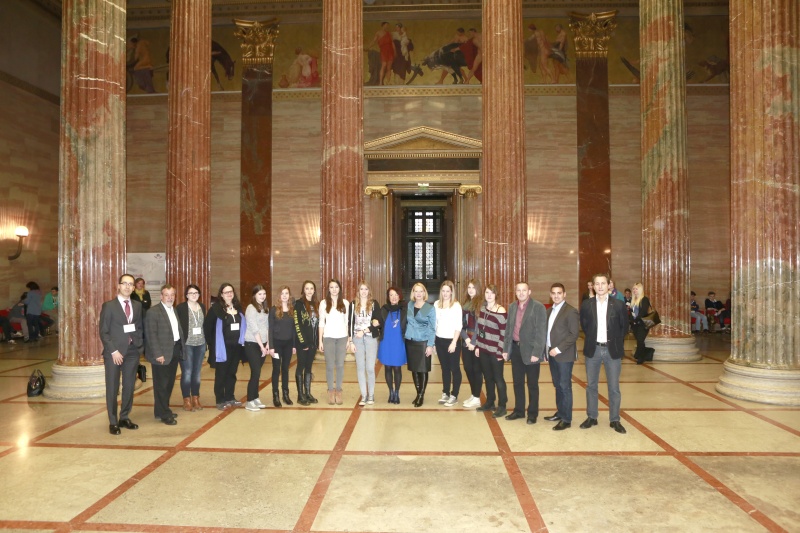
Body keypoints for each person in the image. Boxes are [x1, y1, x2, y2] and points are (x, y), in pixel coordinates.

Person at [579, 273, 630, 434]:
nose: (600, 286)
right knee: (591, 386)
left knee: (614, 387)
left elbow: (624, 328)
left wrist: (614, 341)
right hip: (593, 349)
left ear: (609, 285)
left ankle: (614, 419)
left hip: (612, 350)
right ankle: (592, 417)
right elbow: (585, 326)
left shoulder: (619, 305)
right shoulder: (587, 305)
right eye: (597, 284)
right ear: (593, 286)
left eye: (603, 283)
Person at [98, 274, 144, 435]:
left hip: (132, 352)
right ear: (118, 286)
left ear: (133, 288)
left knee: (129, 386)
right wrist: (113, 351)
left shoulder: (137, 306)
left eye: (130, 284)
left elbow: (138, 328)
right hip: (114, 354)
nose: (127, 286)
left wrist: (139, 347)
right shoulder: (109, 306)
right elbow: (103, 332)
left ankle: (124, 417)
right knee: (112, 387)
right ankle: (113, 421)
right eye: (124, 283)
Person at [502, 282, 546, 424]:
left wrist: (537, 352)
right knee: (517, 382)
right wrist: (505, 349)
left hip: (531, 351)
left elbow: (541, 332)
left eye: (524, 290)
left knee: (532, 384)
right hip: (515, 350)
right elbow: (508, 330)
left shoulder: (538, 307)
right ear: (515, 292)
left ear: (529, 291)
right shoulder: (512, 306)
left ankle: (532, 413)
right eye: (518, 290)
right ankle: (519, 411)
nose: (521, 293)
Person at [542, 283, 580, 430]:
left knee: (565, 386)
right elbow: (547, 333)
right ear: (550, 295)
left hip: (564, 355)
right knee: (557, 385)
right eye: (554, 293)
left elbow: (574, 334)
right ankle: (560, 412)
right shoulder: (549, 310)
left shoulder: (570, 311)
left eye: (559, 293)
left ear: (564, 294)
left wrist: (557, 349)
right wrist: (546, 351)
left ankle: (566, 418)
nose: (556, 296)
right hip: (551, 354)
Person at [145, 284, 184, 425]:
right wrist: (158, 354)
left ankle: (161, 409)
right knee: (161, 384)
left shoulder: (174, 310)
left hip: (174, 350)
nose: (170, 297)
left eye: (172, 294)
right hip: (161, 354)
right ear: (161, 296)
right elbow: (151, 335)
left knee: (169, 383)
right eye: (166, 295)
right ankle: (164, 414)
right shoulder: (153, 312)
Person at [204, 283, 246, 410]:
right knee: (221, 373)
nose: (229, 294)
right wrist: (212, 344)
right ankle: (220, 399)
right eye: (226, 292)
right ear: (221, 295)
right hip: (222, 348)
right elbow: (207, 328)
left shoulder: (238, 308)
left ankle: (230, 397)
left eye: (231, 291)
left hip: (236, 347)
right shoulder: (216, 309)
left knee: (232, 373)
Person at [475, 284, 508, 417]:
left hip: (495, 351)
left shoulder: (501, 310)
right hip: (483, 349)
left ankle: (502, 405)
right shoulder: (483, 309)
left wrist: (500, 351)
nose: (489, 295)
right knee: (488, 378)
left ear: (496, 295)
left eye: (492, 293)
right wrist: (478, 346)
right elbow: (480, 330)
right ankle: (490, 401)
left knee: (498, 378)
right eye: (487, 292)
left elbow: (504, 334)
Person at [349, 282, 381, 406]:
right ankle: (363, 395)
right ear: (358, 291)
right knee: (360, 368)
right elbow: (350, 323)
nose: (363, 291)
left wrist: (364, 331)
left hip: (370, 338)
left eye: (366, 289)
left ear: (369, 291)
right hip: (357, 339)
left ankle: (371, 394)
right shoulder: (353, 304)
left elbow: (377, 322)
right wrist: (350, 341)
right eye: (361, 289)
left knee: (370, 368)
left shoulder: (374, 304)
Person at [319, 279, 350, 405]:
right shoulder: (323, 303)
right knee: (330, 366)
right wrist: (320, 341)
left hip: (342, 337)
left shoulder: (345, 303)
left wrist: (349, 339)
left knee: (340, 365)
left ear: (340, 289)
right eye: (331, 287)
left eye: (336, 287)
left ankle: (339, 390)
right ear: (328, 289)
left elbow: (347, 322)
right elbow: (321, 322)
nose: (334, 289)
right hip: (328, 338)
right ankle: (331, 391)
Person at [405, 282, 436, 407]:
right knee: (414, 369)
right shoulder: (409, 304)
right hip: (410, 340)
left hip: (423, 342)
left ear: (424, 293)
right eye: (415, 291)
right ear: (413, 293)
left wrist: (430, 345)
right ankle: (418, 393)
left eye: (420, 291)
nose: (418, 293)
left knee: (422, 370)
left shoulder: (430, 308)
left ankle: (421, 395)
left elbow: (432, 328)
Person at [176, 284, 206, 411]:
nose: (194, 295)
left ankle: (196, 397)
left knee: (197, 373)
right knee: (187, 372)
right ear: (186, 295)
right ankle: (186, 399)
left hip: (200, 343)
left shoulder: (202, 307)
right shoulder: (181, 308)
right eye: (191, 293)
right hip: (187, 344)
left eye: (196, 293)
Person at [434, 280, 463, 407]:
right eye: (443, 291)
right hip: (439, 340)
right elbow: (434, 324)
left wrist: (454, 342)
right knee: (444, 368)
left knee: (454, 368)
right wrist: (434, 343)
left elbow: (458, 325)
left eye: (448, 291)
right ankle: (445, 392)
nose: (445, 294)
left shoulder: (456, 305)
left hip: (452, 341)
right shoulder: (436, 304)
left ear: (452, 292)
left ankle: (454, 394)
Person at [377, 287, 407, 404]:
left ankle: (397, 392)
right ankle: (391, 392)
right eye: (391, 295)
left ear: (399, 296)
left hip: (399, 342)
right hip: (386, 342)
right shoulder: (384, 309)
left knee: (397, 368)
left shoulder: (404, 309)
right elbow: (378, 322)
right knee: (388, 367)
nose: (394, 297)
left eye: (396, 295)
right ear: (388, 297)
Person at [269, 286, 297, 407]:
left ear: (289, 296)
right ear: (279, 296)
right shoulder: (273, 310)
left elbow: (294, 329)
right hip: (276, 344)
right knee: (276, 369)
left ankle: (286, 394)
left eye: (287, 293)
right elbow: (269, 328)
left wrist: (294, 345)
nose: (284, 295)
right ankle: (275, 395)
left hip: (288, 344)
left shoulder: (292, 310)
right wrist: (271, 346)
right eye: (282, 293)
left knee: (285, 369)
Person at [244, 285, 270, 411]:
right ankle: (249, 400)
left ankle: (255, 397)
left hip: (263, 344)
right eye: (260, 294)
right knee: (255, 372)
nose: (263, 296)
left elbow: (268, 327)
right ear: (254, 295)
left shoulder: (265, 308)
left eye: (264, 294)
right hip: (252, 344)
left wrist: (268, 344)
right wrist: (261, 346)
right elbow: (254, 329)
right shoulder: (251, 308)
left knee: (258, 372)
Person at [294, 281, 320, 406]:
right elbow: (297, 324)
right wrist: (302, 342)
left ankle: (308, 393)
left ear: (314, 290)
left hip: (313, 343)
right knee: (301, 366)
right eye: (307, 288)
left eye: (311, 288)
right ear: (303, 290)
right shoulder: (298, 304)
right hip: (302, 343)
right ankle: (300, 395)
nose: (309, 291)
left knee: (309, 368)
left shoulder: (316, 304)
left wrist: (316, 342)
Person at [460, 279, 483, 408]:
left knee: (476, 369)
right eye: (469, 287)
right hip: (466, 339)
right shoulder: (465, 304)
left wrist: (473, 341)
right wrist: (466, 339)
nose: (470, 290)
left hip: (477, 341)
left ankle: (477, 397)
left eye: (473, 287)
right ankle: (474, 394)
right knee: (468, 368)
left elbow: (480, 325)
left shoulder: (481, 304)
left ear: (478, 289)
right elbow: (460, 324)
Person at [630, 283, 654, 364]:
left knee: (640, 340)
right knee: (639, 340)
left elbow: (643, 312)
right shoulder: (633, 300)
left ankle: (641, 357)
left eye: (636, 289)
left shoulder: (644, 299)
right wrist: (631, 321)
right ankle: (641, 355)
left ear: (640, 290)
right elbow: (631, 312)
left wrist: (636, 320)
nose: (634, 290)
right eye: (633, 289)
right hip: (635, 324)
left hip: (643, 324)